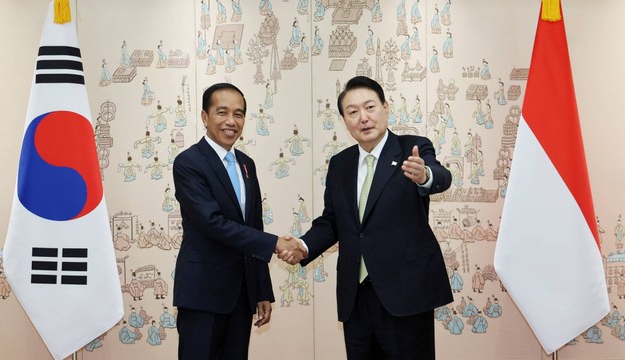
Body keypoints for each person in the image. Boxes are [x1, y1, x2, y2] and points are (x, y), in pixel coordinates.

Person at [279, 76, 453, 359]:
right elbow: (332, 221)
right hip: (356, 296)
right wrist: (304, 245)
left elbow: (441, 176)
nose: (363, 118)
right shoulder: (340, 164)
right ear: (345, 121)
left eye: (370, 107)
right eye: (353, 112)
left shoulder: (414, 147)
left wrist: (425, 176)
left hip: (405, 292)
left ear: (385, 107)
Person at [173, 83, 301, 359]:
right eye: (222, 112)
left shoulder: (246, 164)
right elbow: (211, 222)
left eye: (239, 114)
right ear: (205, 117)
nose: (231, 121)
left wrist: (261, 290)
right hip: (202, 295)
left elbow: (253, 227)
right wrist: (275, 243)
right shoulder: (188, 163)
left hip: (241, 296)